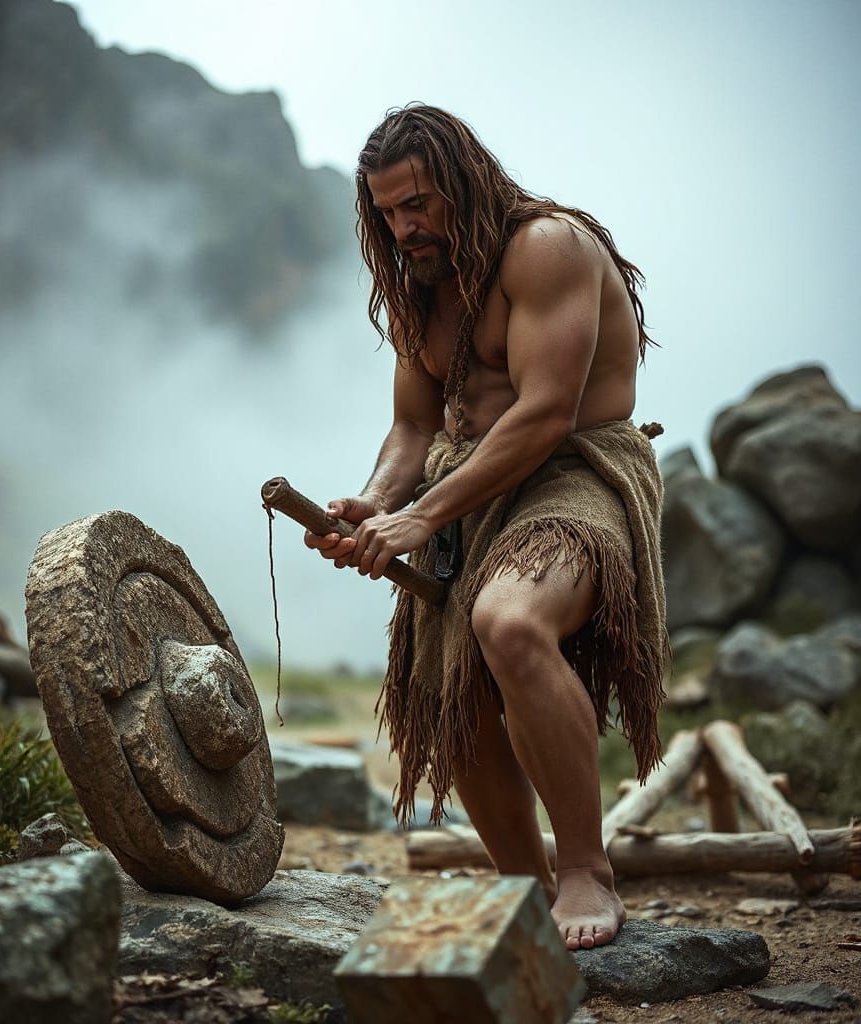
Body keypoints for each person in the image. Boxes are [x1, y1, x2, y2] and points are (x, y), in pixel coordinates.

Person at [304, 104, 668, 951]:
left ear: (464, 183)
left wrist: (418, 516)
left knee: (506, 620)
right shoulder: (416, 283)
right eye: (389, 211)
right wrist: (373, 503)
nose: (406, 226)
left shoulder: (545, 248)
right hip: (464, 490)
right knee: (448, 678)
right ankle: (523, 889)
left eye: (420, 204)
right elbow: (414, 428)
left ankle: (585, 869)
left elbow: (546, 413)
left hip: (575, 476)